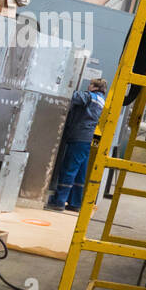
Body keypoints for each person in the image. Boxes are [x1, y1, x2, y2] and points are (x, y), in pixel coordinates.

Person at [47, 78, 108, 212]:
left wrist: (63, 85)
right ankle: (75, 203)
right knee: (80, 172)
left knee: (69, 169)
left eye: (90, 84)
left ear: (94, 87)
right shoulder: (102, 100)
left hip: (79, 137)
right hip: (88, 138)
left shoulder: (89, 96)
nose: (88, 86)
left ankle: (59, 201)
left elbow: (73, 96)